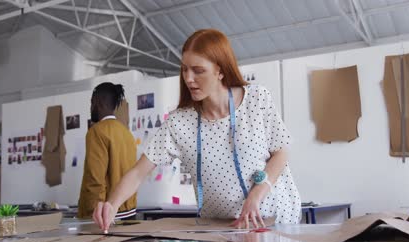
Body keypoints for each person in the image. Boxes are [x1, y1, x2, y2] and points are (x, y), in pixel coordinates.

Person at [94, 29, 301, 231]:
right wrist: (111, 204)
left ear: (220, 70)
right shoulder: (179, 122)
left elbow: (281, 152)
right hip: (221, 228)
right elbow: (138, 172)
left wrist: (256, 194)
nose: (188, 78)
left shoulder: (257, 99)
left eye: (198, 70)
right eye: (184, 69)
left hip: (276, 218)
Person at [77, 82, 137, 219]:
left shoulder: (97, 131)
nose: (91, 108)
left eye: (91, 104)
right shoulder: (127, 133)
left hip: (105, 215)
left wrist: (90, 214)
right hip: (129, 212)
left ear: (97, 102)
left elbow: (95, 179)